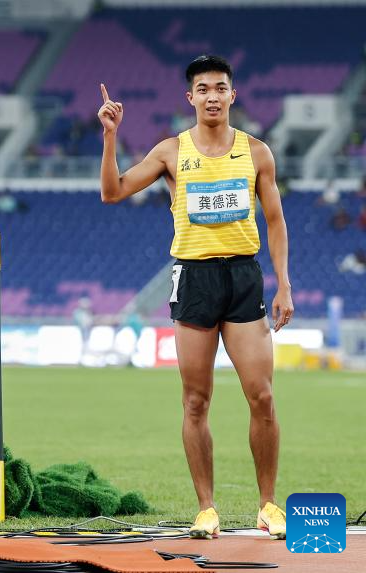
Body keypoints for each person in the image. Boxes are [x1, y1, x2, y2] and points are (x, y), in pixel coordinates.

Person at [98, 55, 292, 540]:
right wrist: (110, 137)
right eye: (203, 89)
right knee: (195, 401)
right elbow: (113, 192)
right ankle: (206, 509)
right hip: (194, 278)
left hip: (243, 277)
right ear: (190, 98)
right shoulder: (171, 151)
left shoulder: (257, 153)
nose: (212, 96)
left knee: (262, 395)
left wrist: (284, 283)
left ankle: (268, 504)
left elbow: (274, 220)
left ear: (232, 95)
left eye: (220, 88)